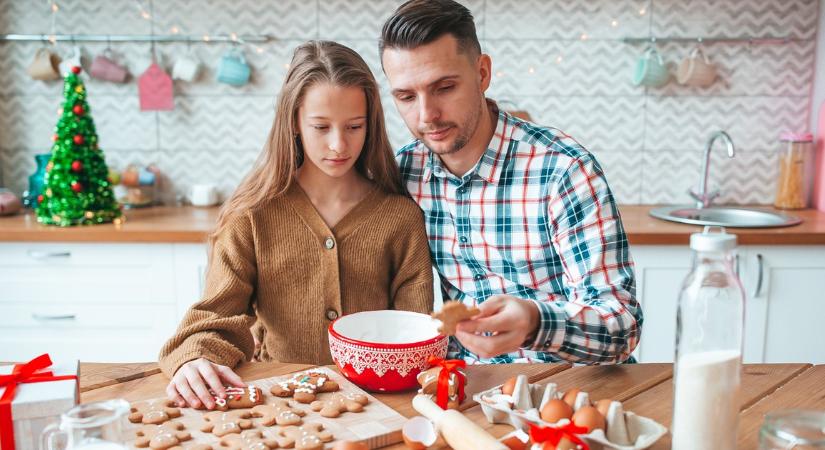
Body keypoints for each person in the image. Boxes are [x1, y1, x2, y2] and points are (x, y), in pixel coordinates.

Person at [159, 40, 434, 409]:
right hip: (278, 402)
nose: (339, 145)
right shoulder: (252, 215)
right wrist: (193, 359)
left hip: (379, 407)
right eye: (321, 127)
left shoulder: (400, 217)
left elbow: (414, 336)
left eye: (354, 126)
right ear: (294, 121)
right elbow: (215, 317)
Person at [380, 0, 642, 364]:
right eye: (407, 97)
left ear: (482, 73)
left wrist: (536, 323)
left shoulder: (562, 170)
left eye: (444, 88)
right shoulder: (405, 172)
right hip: (470, 392)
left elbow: (623, 328)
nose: (427, 116)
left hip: (573, 389)